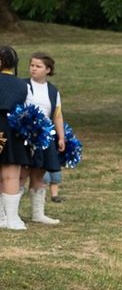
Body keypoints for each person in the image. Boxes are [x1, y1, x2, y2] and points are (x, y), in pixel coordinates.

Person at [22, 53, 66, 224]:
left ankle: (37, 213)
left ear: (48, 70)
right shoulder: (23, 85)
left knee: (39, 174)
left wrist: (61, 137)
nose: (33, 68)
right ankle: (10, 213)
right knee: (21, 174)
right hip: (25, 136)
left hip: (45, 138)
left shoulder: (53, 91)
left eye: (38, 66)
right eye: (32, 65)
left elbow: (57, 115)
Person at [0, 45, 32, 230]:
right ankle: (12, 219)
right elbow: (30, 110)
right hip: (14, 130)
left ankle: (1, 218)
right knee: (11, 174)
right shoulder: (24, 84)